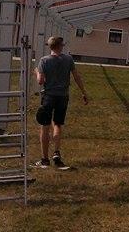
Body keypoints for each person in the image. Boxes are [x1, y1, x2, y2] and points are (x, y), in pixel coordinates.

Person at [33, 36, 89, 169]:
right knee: (57, 124)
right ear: (60, 46)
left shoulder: (44, 60)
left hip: (48, 96)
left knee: (45, 126)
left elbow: (40, 81)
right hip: (63, 96)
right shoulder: (68, 59)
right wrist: (83, 92)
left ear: (50, 46)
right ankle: (56, 153)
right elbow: (76, 76)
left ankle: (44, 160)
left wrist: (36, 72)